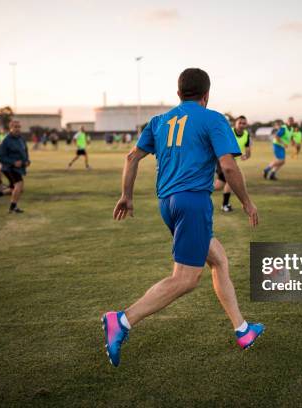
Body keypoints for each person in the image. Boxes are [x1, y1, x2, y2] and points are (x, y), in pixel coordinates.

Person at [102, 68, 263, 367]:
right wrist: (247, 202)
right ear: (206, 95)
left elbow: (131, 157)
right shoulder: (213, 118)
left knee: (218, 259)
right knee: (186, 279)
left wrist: (127, 195)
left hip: (168, 204)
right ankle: (122, 320)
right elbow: (228, 167)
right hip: (193, 202)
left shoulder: (159, 121)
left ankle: (242, 330)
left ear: (178, 94)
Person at [214, 115, 251, 212]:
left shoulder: (246, 134)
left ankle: (198, 189)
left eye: (244, 123)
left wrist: (246, 156)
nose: (242, 125)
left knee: (218, 186)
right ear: (235, 123)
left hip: (231, 161)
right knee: (231, 180)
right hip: (222, 160)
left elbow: (248, 150)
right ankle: (225, 205)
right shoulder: (228, 132)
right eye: (240, 123)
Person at [0, 120, 29, 213]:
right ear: (10, 128)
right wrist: (13, 162)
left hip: (19, 167)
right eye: (15, 127)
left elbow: (25, 151)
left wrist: (27, 160)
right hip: (8, 167)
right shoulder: (5, 140)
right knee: (19, 184)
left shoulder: (21, 138)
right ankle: (13, 207)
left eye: (19, 127)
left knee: (16, 189)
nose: (17, 129)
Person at [263, 116, 296, 180]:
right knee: (281, 160)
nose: (291, 122)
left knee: (282, 162)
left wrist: (293, 142)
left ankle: (272, 174)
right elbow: (276, 137)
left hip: (282, 146)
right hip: (277, 145)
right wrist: (283, 143)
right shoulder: (283, 128)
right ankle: (266, 169)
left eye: (292, 121)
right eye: (290, 121)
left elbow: (291, 136)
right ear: (287, 122)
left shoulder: (291, 129)